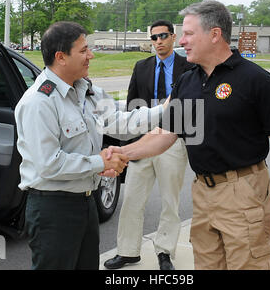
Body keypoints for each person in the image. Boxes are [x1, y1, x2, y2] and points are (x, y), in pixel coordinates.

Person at [107, 0, 270, 270]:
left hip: (244, 192)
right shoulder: (188, 81)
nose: (181, 41)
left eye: (188, 34)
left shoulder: (256, 81)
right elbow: (164, 134)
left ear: (215, 34)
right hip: (203, 194)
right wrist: (121, 153)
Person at [14, 21, 165, 270]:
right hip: (53, 209)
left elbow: (121, 123)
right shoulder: (38, 102)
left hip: (85, 203)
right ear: (61, 57)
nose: (91, 55)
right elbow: (49, 164)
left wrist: (166, 108)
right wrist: (101, 162)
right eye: (83, 51)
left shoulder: (86, 91)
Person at [104, 20, 193, 270]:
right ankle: (128, 252)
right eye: (154, 38)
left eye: (163, 36)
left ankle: (165, 252)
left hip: (173, 140)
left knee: (169, 202)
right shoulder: (141, 67)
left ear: (173, 37)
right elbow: (132, 104)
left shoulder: (189, 67)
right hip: (143, 140)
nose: (158, 42)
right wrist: (130, 143)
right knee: (132, 198)